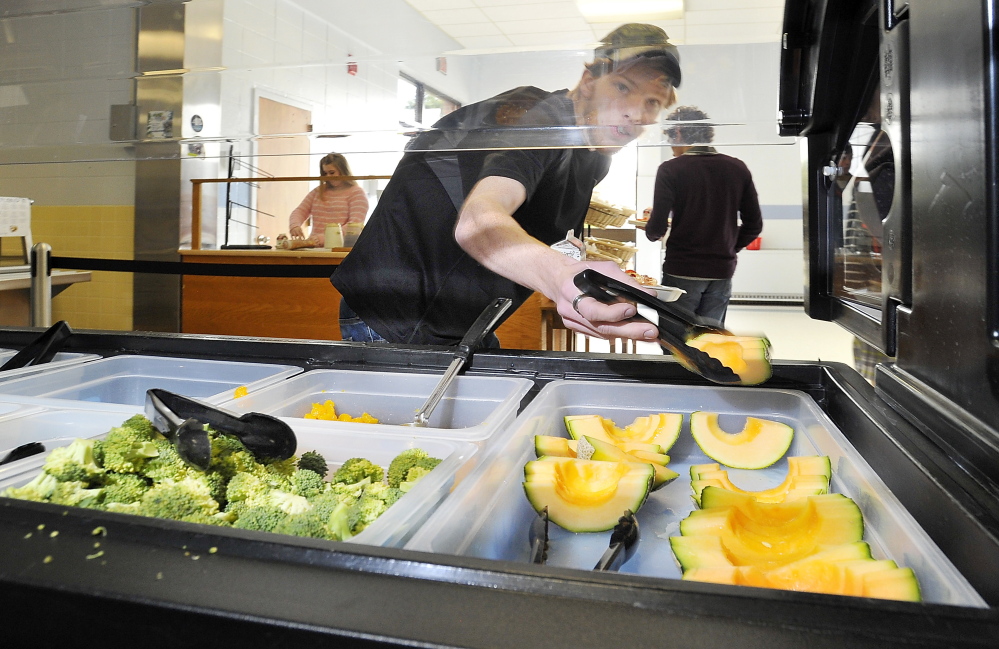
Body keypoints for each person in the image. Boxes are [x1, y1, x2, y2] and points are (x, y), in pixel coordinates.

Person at [331, 24, 682, 347]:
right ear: (589, 80)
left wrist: (587, 286)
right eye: (623, 87)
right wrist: (561, 279)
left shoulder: (591, 154)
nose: (636, 113)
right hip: (395, 316)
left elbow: (549, 238)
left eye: (652, 102)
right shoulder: (536, 116)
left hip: (465, 320)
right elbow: (478, 221)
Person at [645, 106, 763, 327]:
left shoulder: (671, 170)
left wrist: (651, 230)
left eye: (670, 138)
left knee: (675, 343)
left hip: (682, 270)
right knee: (711, 344)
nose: (671, 148)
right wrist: (726, 248)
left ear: (678, 132)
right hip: (721, 273)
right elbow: (754, 225)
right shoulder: (737, 168)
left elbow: (657, 229)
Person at [287, 152, 368, 247]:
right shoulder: (318, 191)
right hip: (315, 247)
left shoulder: (357, 193)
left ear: (343, 171)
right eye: (325, 173)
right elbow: (300, 211)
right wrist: (295, 226)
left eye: (332, 172)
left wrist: (323, 238)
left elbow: (353, 226)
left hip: (341, 249)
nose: (328, 176)